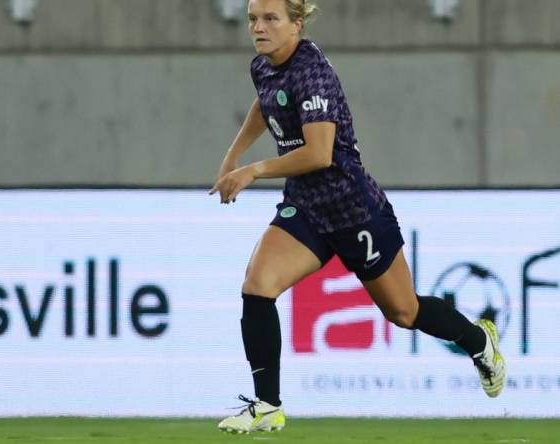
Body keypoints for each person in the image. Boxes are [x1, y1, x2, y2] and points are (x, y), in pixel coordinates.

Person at [210, 0, 506, 434]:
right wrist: (233, 154)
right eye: (254, 18)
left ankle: (479, 341)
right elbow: (266, 102)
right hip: (307, 210)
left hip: (355, 211)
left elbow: (318, 153)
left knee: (404, 312)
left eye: (271, 18)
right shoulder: (264, 65)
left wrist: (253, 169)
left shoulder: (314, 72)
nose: (258, 27)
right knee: (257, 287)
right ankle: (267, 404)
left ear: (297, 24)